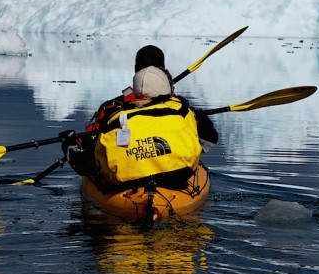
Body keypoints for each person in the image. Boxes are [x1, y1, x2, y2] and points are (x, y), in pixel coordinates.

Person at [62, 47, 218, 192]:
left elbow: (87, 163)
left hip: (128, 184)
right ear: (164, 72)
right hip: (177, 178)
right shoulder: (183, 110)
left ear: (135, 72)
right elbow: (210, 138)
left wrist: (70, 145)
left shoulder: (113, 111)